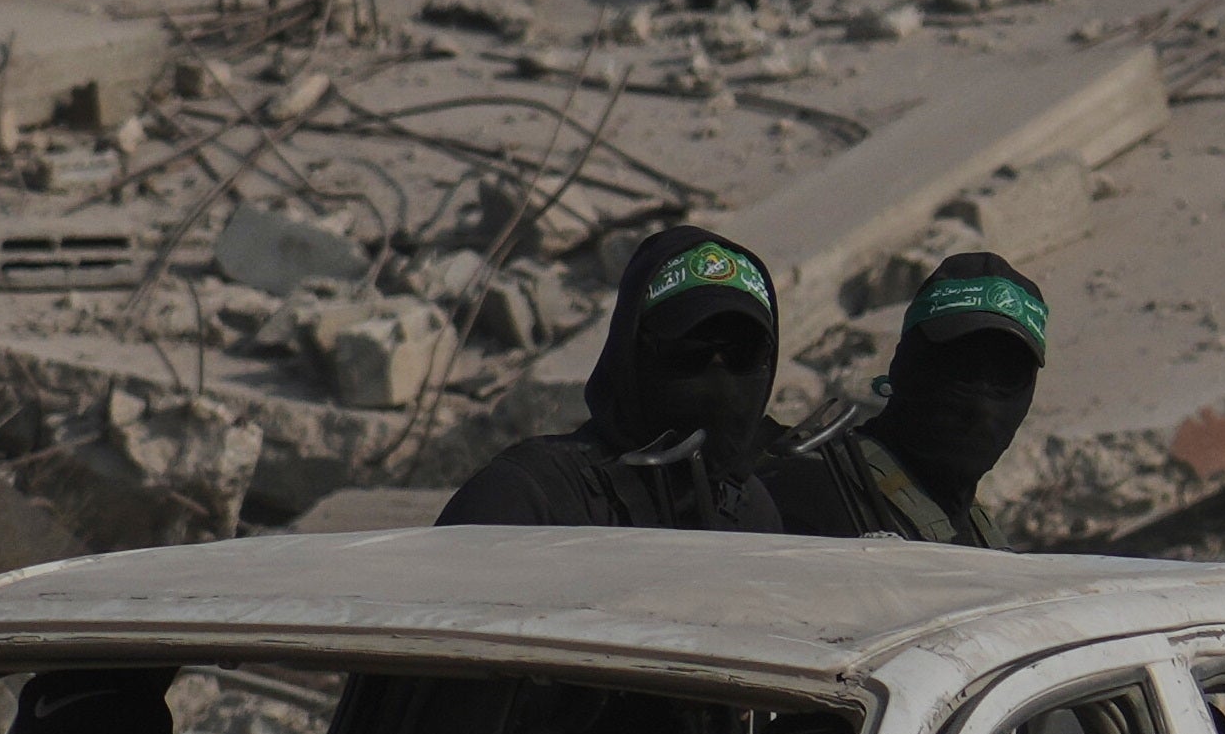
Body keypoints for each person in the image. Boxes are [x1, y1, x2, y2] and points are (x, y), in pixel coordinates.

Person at [445, 218, 783, 531]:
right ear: (631, 354)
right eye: (691, 350)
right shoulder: (526, 498)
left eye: (745, 351)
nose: (717, 371)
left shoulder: (749, 510)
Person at [770, 253, 1051, 545]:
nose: (981, 407)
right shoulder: (812, 492)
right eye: (960, 367)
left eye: (1007, 378)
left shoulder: (974, 525)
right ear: (906, 365)